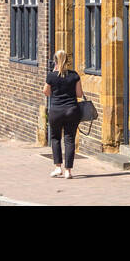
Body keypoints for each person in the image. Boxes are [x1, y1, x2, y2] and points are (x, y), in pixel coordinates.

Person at [42, 50, 84, 179]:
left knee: (55, 138)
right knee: (69, 139)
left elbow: (46, 92)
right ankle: (68, 171)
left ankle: (58, 167)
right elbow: (79, 94)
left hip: (56, 111)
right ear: (67, 61)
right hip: (72, 110)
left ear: (55, 61)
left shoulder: (51, 76)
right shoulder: (74, 75)